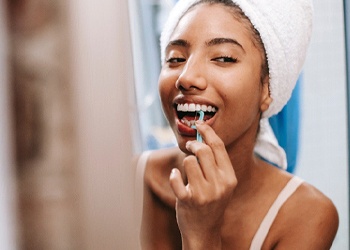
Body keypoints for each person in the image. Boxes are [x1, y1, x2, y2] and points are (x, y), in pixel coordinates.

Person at [135, 0, 339, 249]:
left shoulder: (307, 216)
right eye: (175, 59)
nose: (186, 77)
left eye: (223, 58)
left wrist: (202, 235)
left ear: (267, 87)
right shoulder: (128, 178)